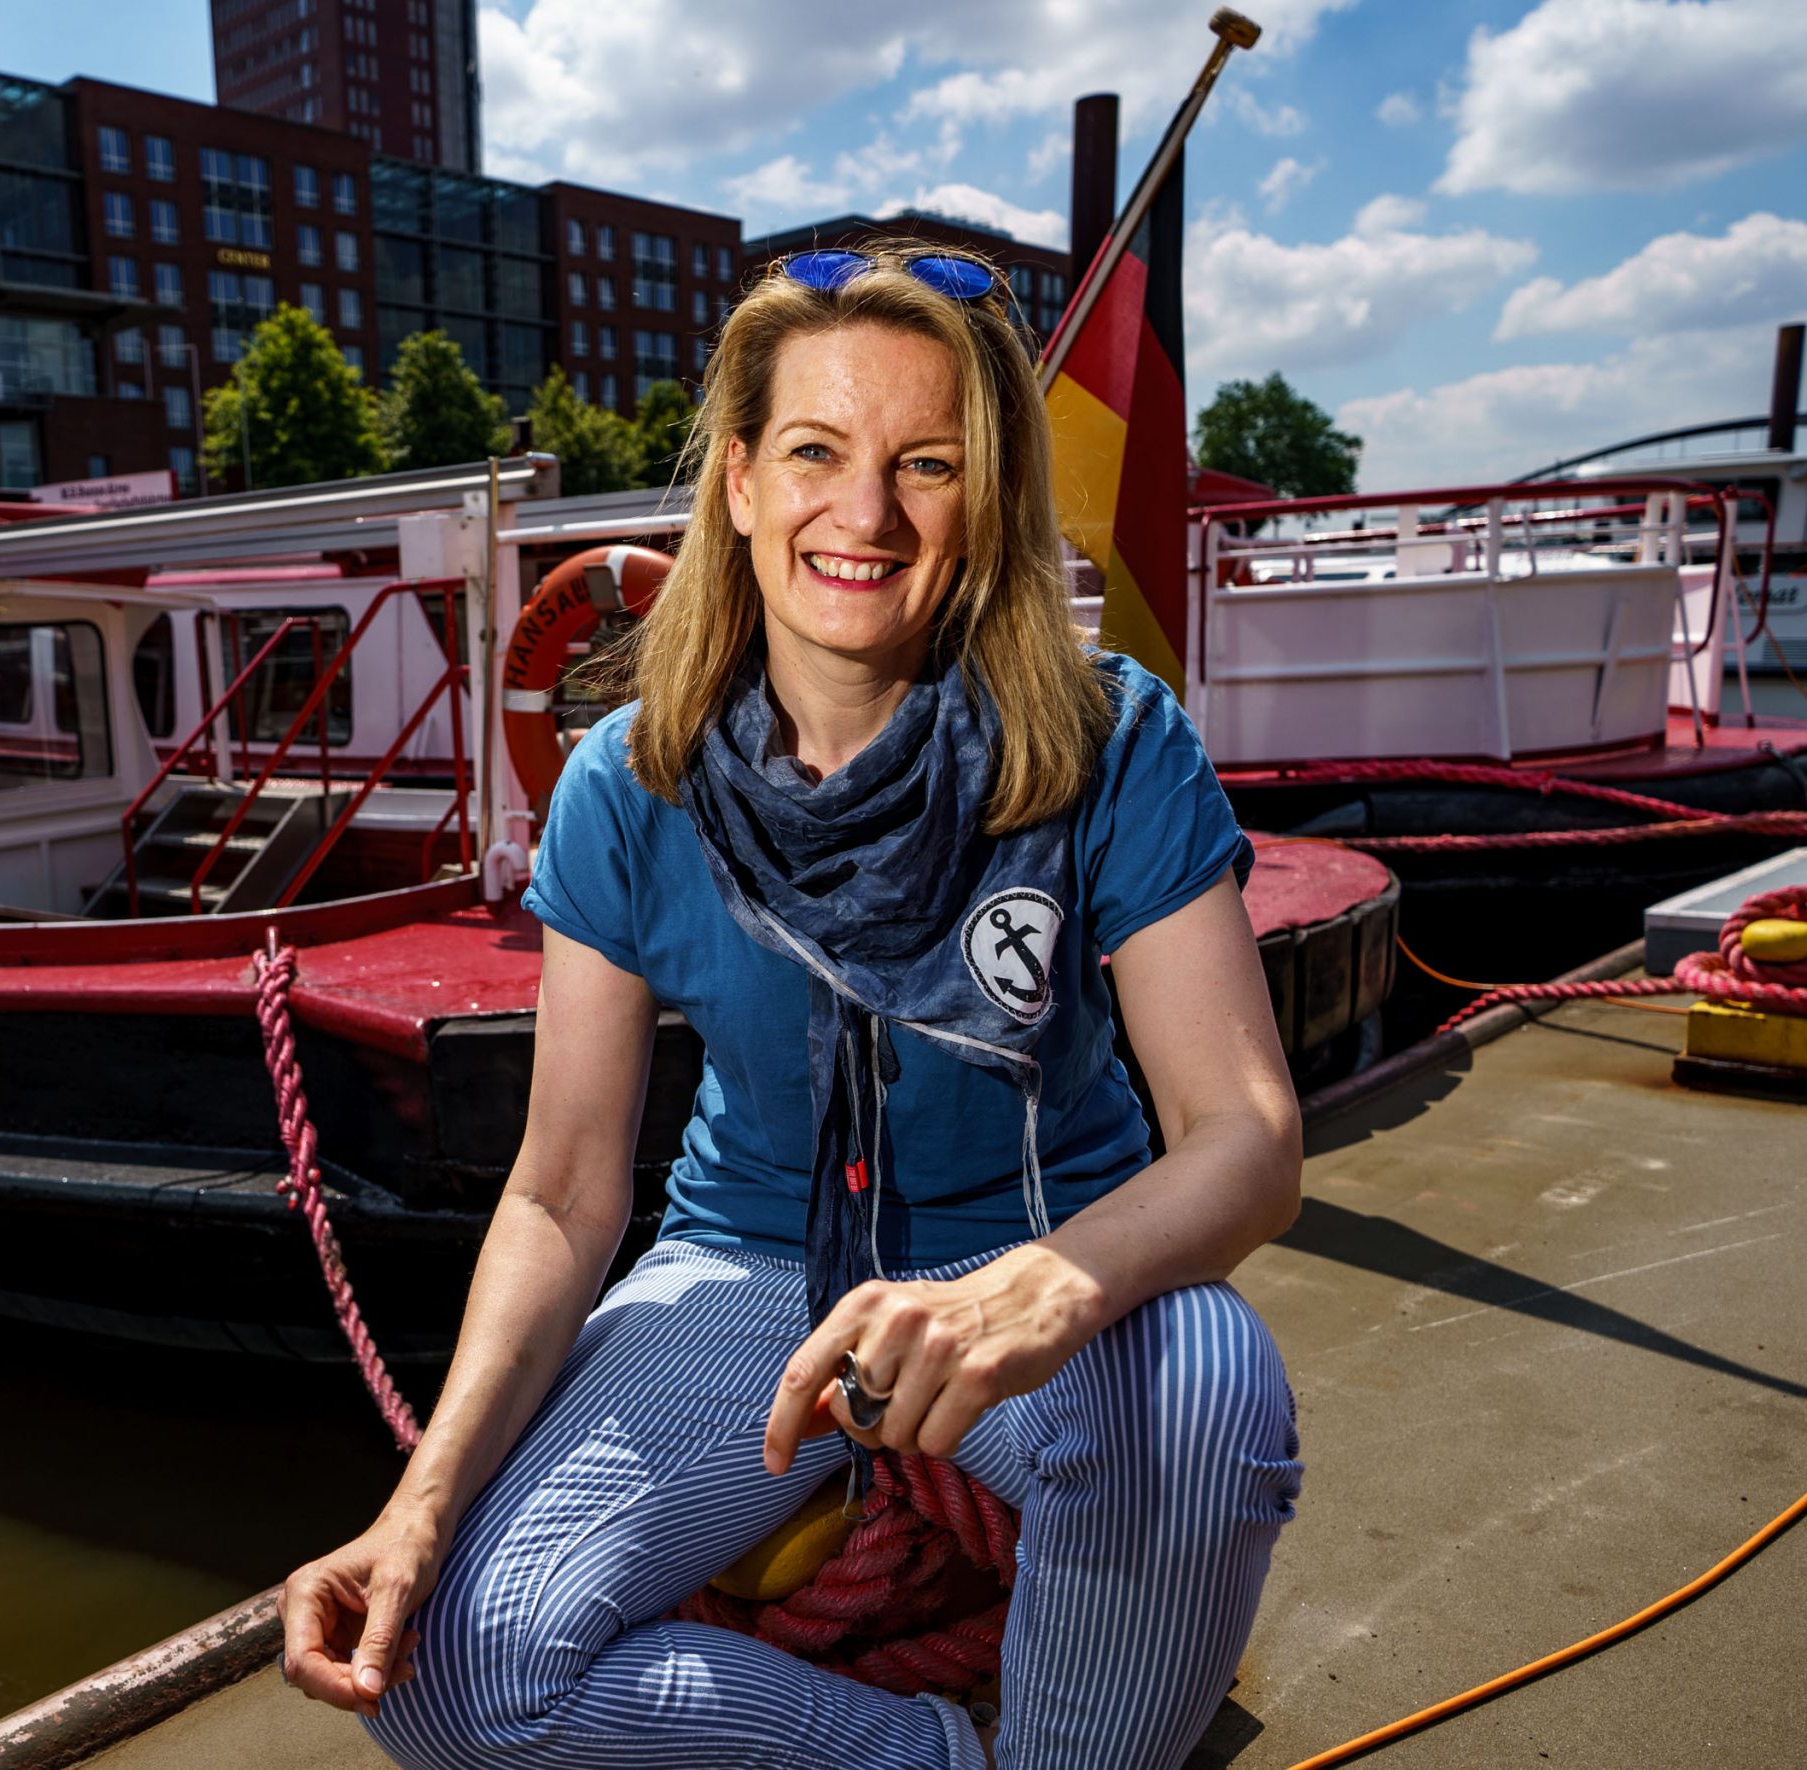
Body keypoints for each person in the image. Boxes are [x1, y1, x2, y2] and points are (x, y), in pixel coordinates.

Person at [280, 243, 1304, 1770]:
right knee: (450, 1677)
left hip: (1042, 1250)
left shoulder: (1110, 741)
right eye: (817, 451)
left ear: (990, 498)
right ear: (743, 482)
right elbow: (563, 1192)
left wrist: (1039, 1288)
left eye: (927, 464)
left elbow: (1247, 1136)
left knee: (1212, 1392)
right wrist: (418, 1501)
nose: (867, 513)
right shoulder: (629, 785)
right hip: (747, 1269)